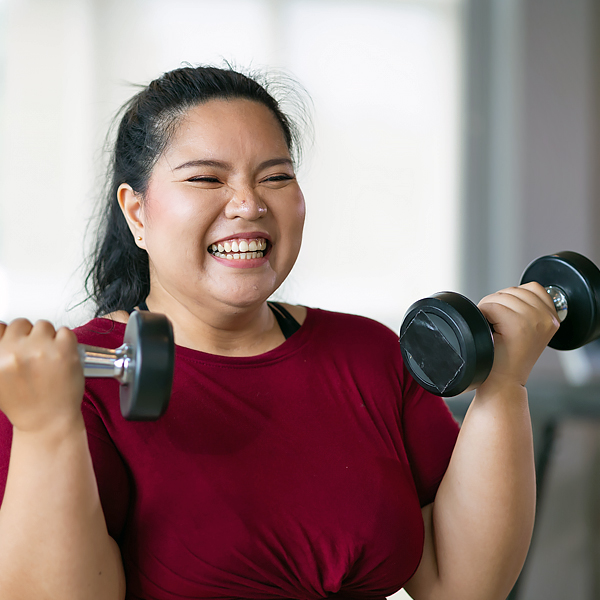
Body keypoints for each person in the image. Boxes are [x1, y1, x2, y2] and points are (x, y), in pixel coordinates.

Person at [0, 65, 559, 600]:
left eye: (275, 176)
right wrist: (46, 428)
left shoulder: (369, 353)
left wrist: (504, 385)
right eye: (206, 178)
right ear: (138, 212)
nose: (248, 204)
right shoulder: (62, 380)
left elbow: (462, 586)